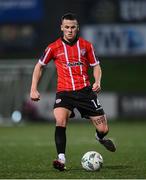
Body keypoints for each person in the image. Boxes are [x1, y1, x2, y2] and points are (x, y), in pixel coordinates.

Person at [30, 13, 116, 171]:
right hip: (64, 93)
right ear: (61, 28)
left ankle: (99, 137)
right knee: (60, 120)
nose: (69, 30)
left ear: (77, 28)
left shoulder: (86, 46)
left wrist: (97, 81)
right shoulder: (53, 47)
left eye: (73, 27)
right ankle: (61, 159)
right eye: (67, 27)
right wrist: (33, 88)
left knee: (103, 129)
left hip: (85, 92)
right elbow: (39, 66)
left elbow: (96, 65)